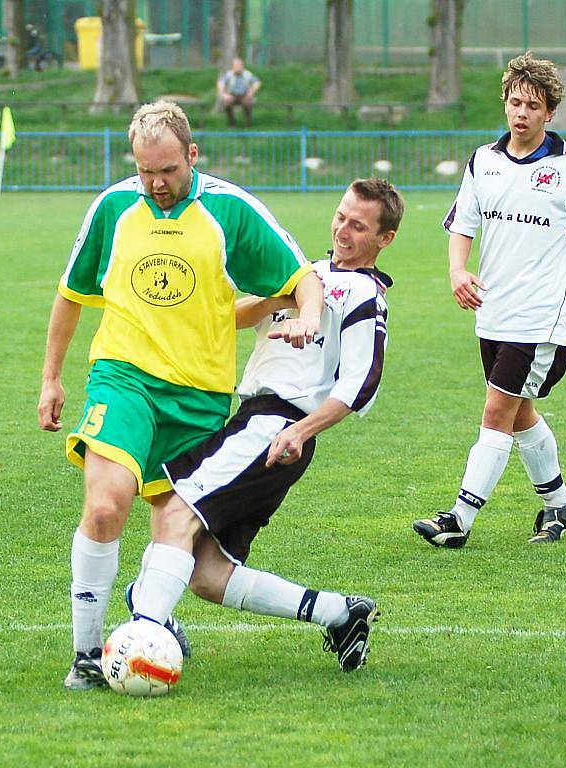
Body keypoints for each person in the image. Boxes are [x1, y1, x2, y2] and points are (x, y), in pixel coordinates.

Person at [37, 99, 323, 690]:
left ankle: (155, 619)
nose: (157, 184)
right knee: (105, 506)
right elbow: (71, 294)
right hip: (124, 378)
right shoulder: (114, 208)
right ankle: (88, 654)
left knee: (191, 552)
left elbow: (302, 278)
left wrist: (305, 317)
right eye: (146, 171)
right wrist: (51, 377)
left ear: (192, 154)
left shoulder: (231, 211)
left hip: (199, 399)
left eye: (167, 170)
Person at [124, 178, 405, 673]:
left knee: (174, 513)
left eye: (359, 226)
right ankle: (340, 613)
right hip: (254, 422)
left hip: (277, 424)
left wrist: (301, 431)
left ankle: (142, 637)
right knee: (209, 574)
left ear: (385, 240)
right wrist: (284, 296)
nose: (342, 231)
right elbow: (230, 317)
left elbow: (361, 383)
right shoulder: (304, 274)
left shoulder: (363, 294)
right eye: (341, 216)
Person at [413, 52, 566, 549]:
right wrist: (456, 271)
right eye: (515, 102)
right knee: (519, 413)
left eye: (532, 105)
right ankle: (561, 505)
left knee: (497, 411)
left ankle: (459, 520)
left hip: (542, 320)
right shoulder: (483, 161)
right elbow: (461, 227)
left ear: (549, 112)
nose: (521, 113)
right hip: (492, 312)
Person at [217, 57, 261, 127]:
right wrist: (224, 94)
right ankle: (232, 122)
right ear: (232, 66)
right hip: (232, 95)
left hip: (244, 95)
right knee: (226, 103)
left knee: (248, 102)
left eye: (239, 65)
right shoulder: (229, 74)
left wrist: (251, 92)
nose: (237, 67)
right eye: (235, 66)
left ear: (242, 66)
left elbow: (257, 82)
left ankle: (247, 123)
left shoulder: (248, 74)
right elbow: (221, 83)